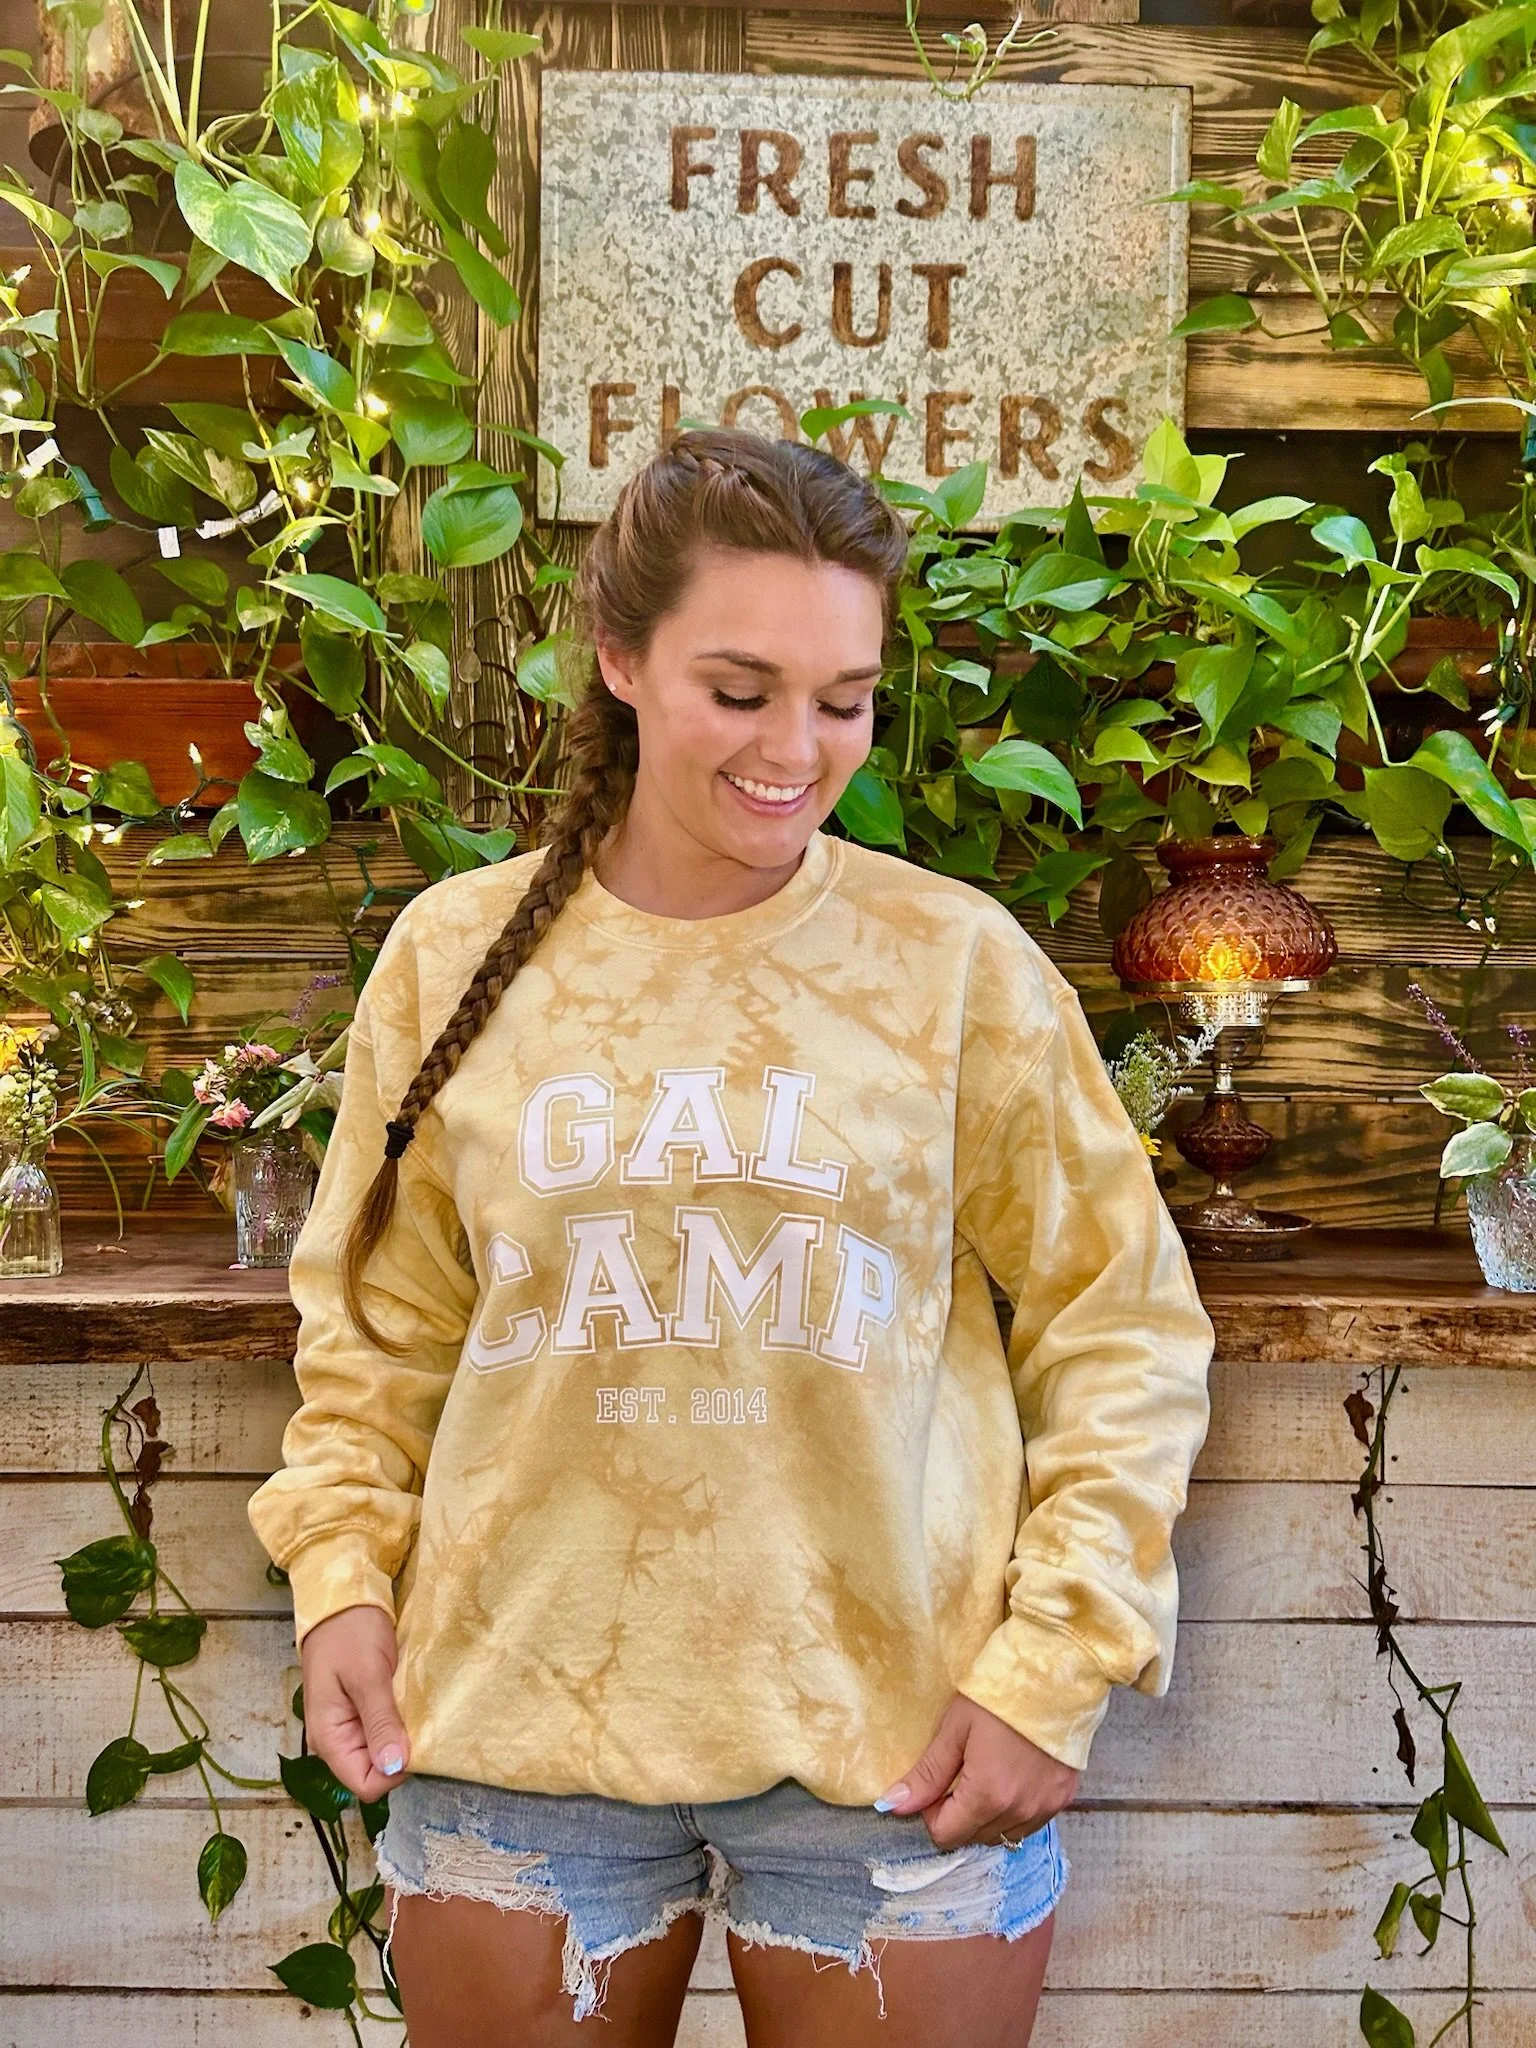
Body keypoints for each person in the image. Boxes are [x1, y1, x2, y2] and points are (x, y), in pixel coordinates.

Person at [248, 426, 1216, 2048]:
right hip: (506, 1724)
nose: (797, 747)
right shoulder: (451, 954)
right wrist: (339, 1577)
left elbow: (1117, 1326)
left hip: (901, 1740)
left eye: (844, 700)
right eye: (742, 688)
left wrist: (1061, 1661)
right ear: (621, 659)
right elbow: (379, 1326)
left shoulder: (954, 964)